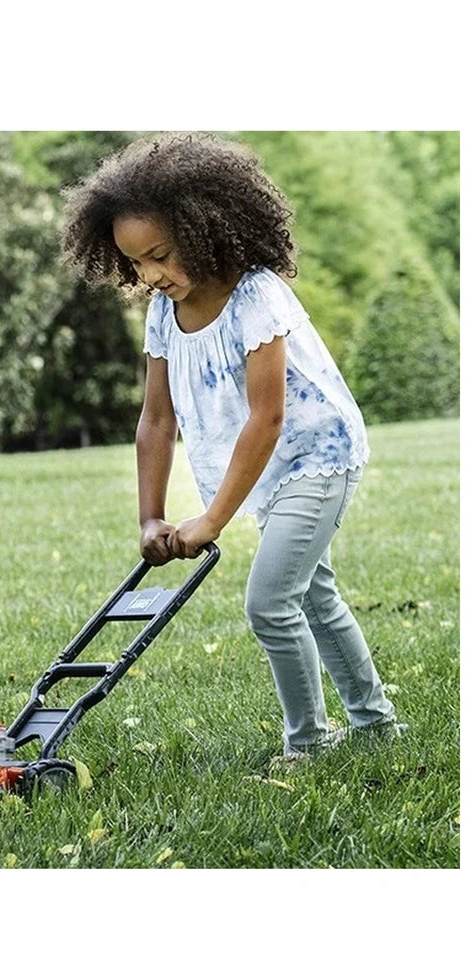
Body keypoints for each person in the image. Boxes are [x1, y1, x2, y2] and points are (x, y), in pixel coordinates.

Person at [60, 132, 403, 760]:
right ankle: (376, 724)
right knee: (314, 592)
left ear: (203, 227)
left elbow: (267, 418)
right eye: (135, 264)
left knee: (272, 602)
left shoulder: (256, 295)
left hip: (316, 455)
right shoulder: (163, 312)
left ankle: (309, 744)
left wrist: (210, 519)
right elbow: (156, 421)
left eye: (160, 255)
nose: (150, 276)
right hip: (271, 472)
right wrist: (151, 516)